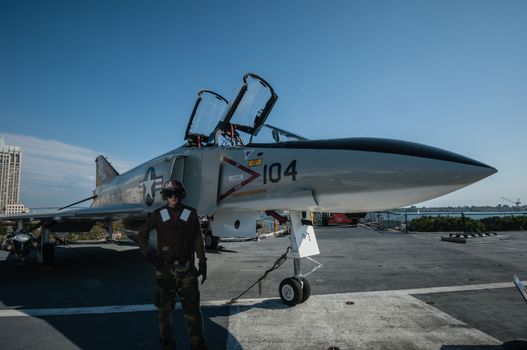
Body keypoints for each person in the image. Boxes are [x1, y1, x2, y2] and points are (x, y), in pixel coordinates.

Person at [138, 180, 207, 350]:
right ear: (165, 196)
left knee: (193, 314)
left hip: (187, 271)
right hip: (165, 272)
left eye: (176, 193)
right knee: (164, 315)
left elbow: (197, 239)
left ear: (181, 194)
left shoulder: (190, 214)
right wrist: (150, 257)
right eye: (169, 194)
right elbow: (142, 236)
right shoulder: (158, 215)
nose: (173, 197)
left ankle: (198, 347)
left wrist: (203, 262)